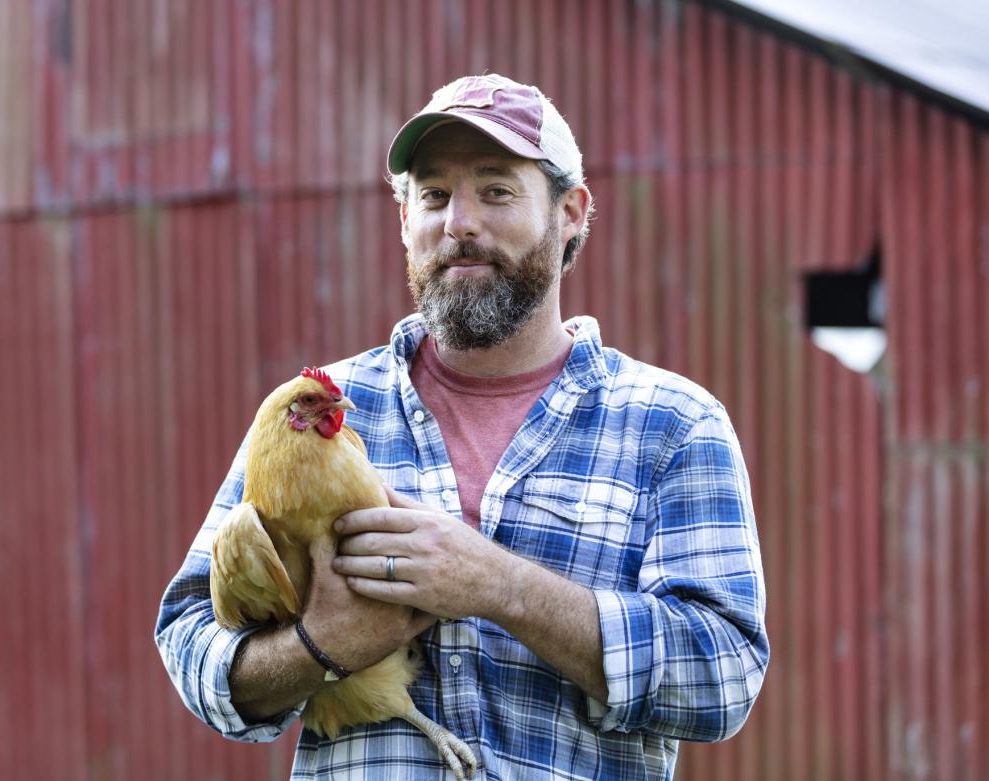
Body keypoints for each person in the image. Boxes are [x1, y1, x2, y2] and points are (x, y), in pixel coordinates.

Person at [156, 73, 768, 780]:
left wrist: (498, 587)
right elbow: (188, 643)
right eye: (435, 195)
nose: (459, 223)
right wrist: (321, 644)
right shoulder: (312, 416)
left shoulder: (673, 427)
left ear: (571, 212)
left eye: (496, 190)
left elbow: (724, 677)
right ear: (404, 219)